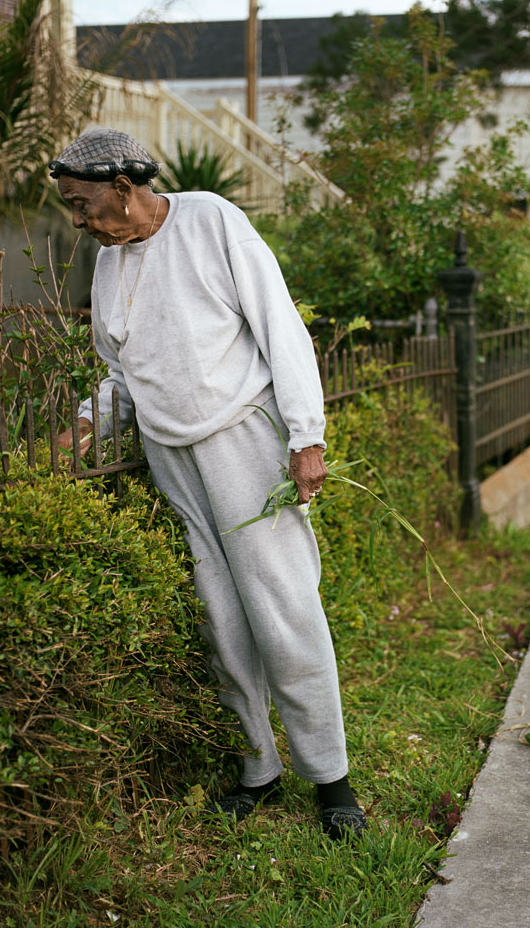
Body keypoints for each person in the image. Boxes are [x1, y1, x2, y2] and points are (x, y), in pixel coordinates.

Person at [50, 126, 367, 840]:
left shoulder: (211, 220)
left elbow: (279, 325)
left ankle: (331, 779)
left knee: (282, 608)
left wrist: (305, 435)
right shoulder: (108, 265)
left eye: (82, 202)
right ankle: (259, 766)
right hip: (173, 456)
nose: (77, 219)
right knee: (221, 614)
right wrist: (83, 424)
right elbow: (120, 373)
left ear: (125, 189)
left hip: (245, 441)